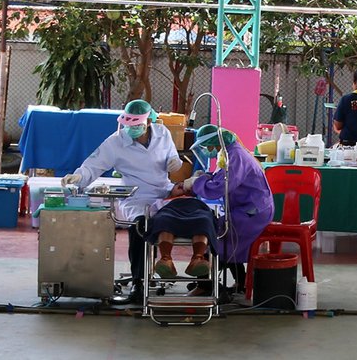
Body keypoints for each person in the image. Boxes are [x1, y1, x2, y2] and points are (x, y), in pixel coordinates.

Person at [62, 99, 184, 303]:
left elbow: (173, 158)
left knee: (190, 217)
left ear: (149, 121)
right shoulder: (115, 142)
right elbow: (93, 165)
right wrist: (78, 177)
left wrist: (175, 162)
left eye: (137, 125)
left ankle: (190, 274)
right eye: (129, 125)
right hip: (136, 196)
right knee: (139, 226)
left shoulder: (163, 134)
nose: (133, 130)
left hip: (165, 192)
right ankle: (139, 282)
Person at [184, 124, 274, 295]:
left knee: (219, 235)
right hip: (247, 207)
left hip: (253, 212)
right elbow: (220, 177)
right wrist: (204, 177)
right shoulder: (228, 153)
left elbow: (219, 187)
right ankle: (241, 282)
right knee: (228, 236)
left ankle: (204, 285)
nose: (205, 151)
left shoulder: (235, 157)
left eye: (205, 147)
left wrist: (195, 184)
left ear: (213, 143)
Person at [146, 181, 217, 281]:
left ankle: (197, 258)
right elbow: (153, 214)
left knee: (204, 220)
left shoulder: (199, 200)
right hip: (170, 211)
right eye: (179, 186)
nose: (183, 189)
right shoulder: (163, 200)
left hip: (196, 211)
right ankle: (166, 259)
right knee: (163, 219)